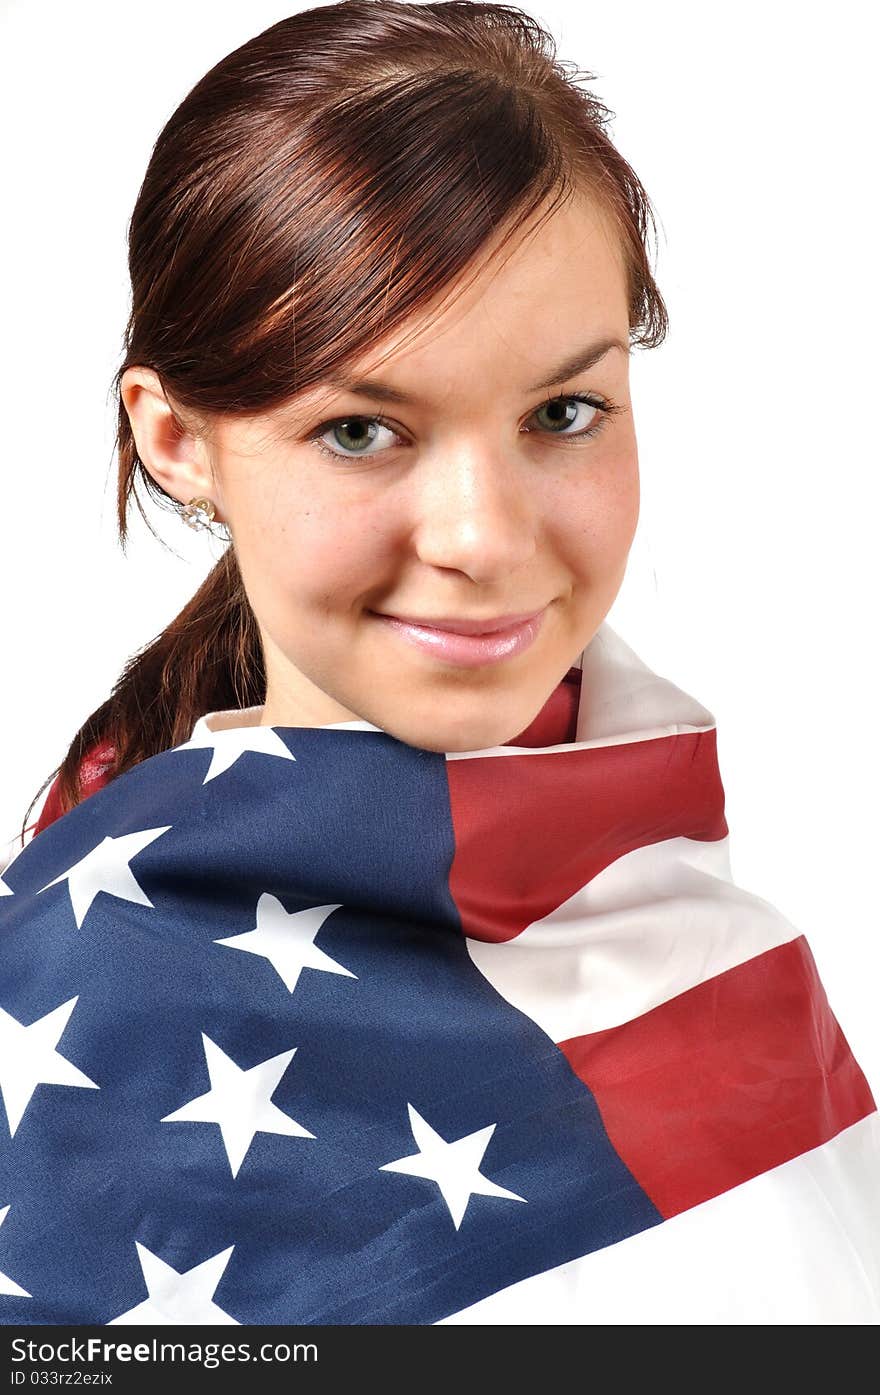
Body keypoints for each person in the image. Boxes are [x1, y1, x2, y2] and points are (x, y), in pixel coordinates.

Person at [1, 0, 877, 1326]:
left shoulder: (721, 957)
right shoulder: (66, 992)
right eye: (362, 430)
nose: (486, 538)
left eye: (564, 413)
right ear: (177, 440)